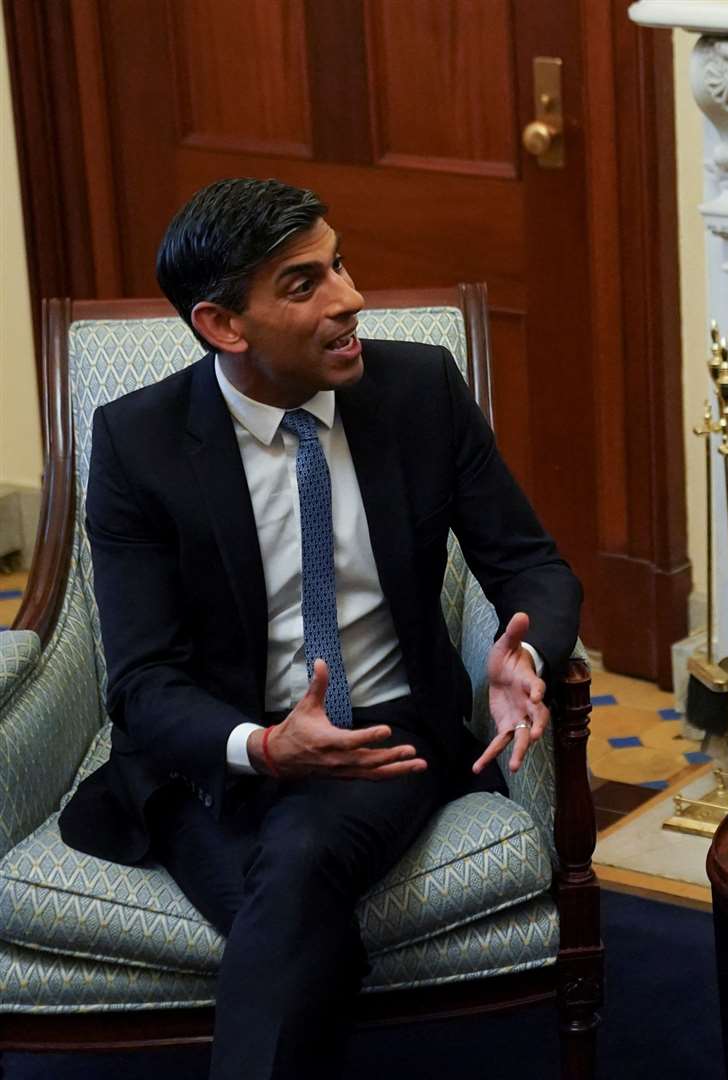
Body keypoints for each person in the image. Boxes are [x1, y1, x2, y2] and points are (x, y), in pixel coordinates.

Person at [58, 178, 583, 1079]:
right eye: (304, 285)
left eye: (338, 263)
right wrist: (262, 747)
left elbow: (532, 562)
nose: (351, 299)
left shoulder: (418, 391)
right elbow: (141, 683)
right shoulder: (139, 442)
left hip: (383, 734)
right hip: (212, 761)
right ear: (225, 326)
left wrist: (522, 655)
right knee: (305, 928)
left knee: (299, 858)